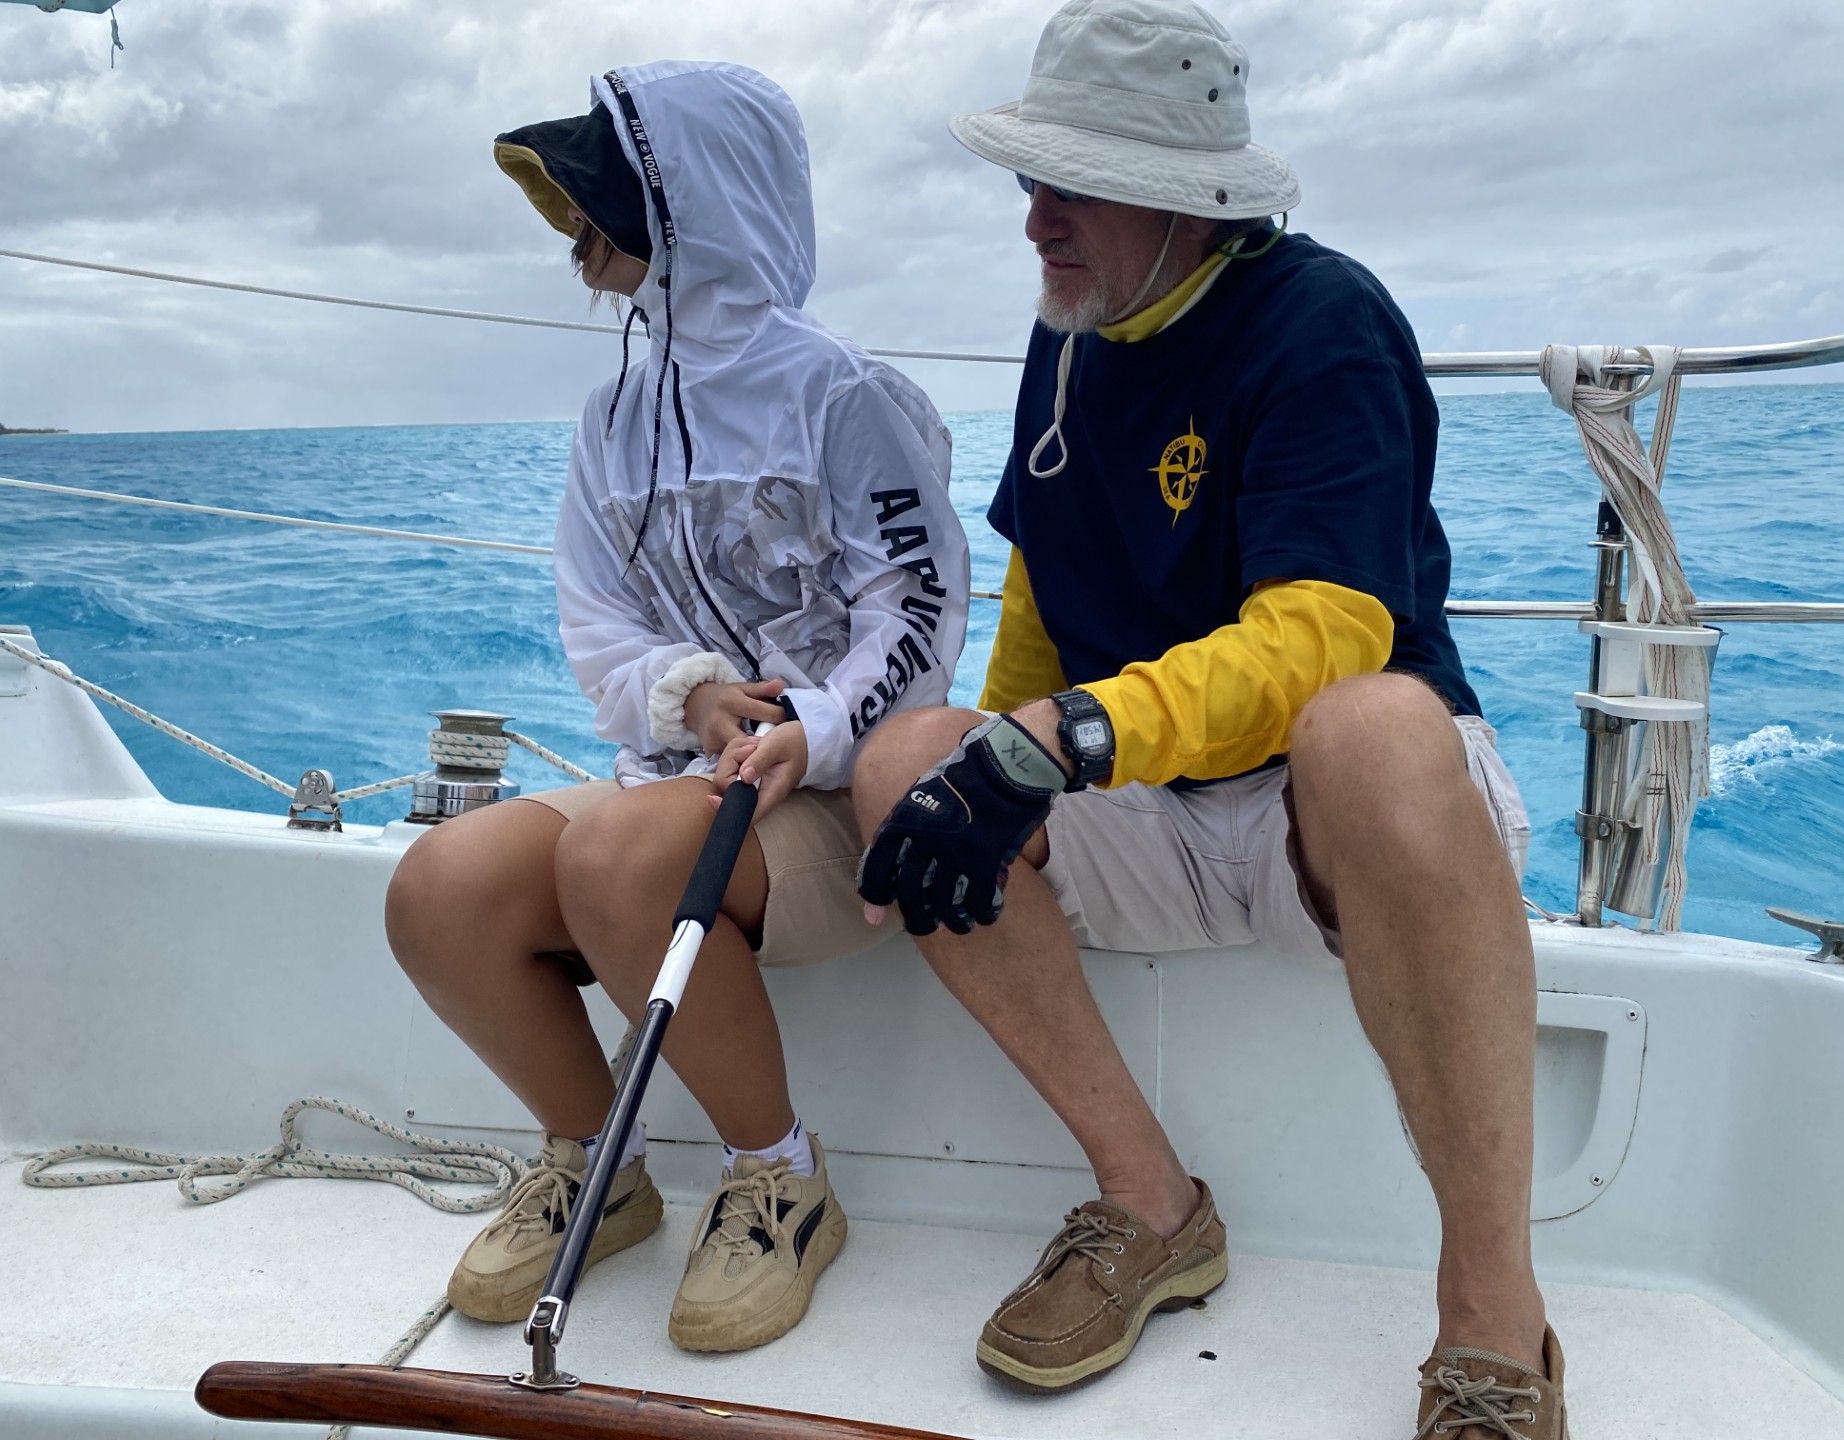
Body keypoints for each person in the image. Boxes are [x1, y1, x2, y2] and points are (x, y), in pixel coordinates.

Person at [851, 2, 1565, 1435]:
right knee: (905, 763)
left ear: (1187, 198)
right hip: (1159, 815)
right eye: (1030, 180)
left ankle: (1493, 1313)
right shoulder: (1069, 334)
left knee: (1370, 723)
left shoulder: (1324, 321)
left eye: (1074, 185)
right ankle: (1151, 1207)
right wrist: (995, 753)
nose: (1035, 220)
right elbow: (1043, 584)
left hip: (1340, 824)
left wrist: (1065, 741)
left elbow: (1329, 637)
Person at [385, 60, 967, 1354]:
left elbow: (919, 609)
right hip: (676, 793)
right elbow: (596, 617)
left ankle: (781, 1178)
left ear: (694, 200)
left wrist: (813, 729)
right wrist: (693, 695)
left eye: (604, 190)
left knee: (617, 852)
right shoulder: (614, 415)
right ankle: (601, 1166)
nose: (573, 221)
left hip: (832, 798)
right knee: (439, 887)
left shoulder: (845, 394)